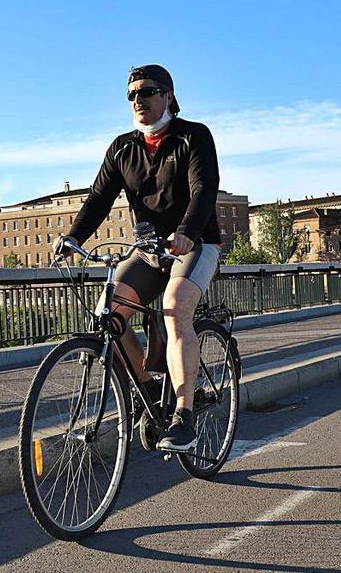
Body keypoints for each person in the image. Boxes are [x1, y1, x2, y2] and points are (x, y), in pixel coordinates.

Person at [53, 64, 221, 453]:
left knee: (174, 306)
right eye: (131, 94)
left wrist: (186, 233)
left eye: (146, 91)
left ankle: (184, 416)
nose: (138, 100)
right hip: (148, 252)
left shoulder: (193, 136)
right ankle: (148, 387)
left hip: (196, 244)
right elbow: (98, 199)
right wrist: (73, 237)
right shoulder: (122, 148)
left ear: (168, 96)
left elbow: (203, 190)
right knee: (106, 314)